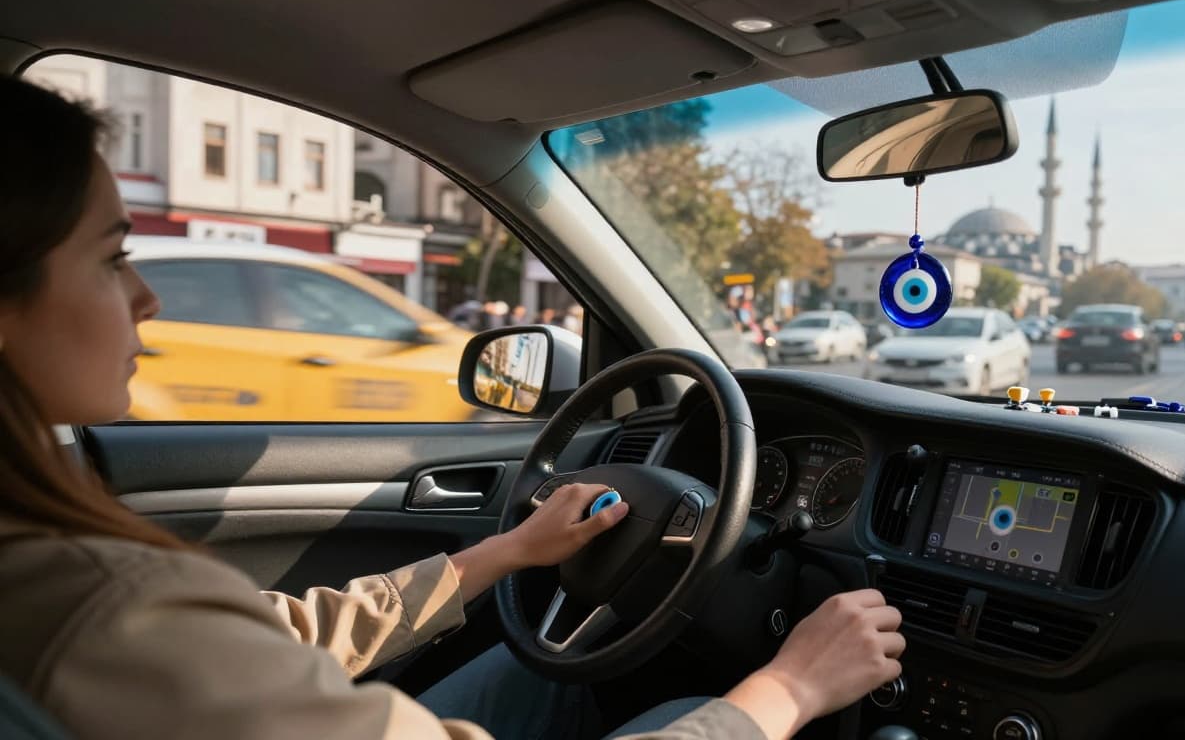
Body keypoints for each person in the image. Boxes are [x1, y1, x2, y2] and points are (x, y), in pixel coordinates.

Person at [0, 76, 906, 740]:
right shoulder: (106, 610)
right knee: (692, 714)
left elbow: (287, 636)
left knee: (540, 670)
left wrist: (506, 552)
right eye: (116, 258)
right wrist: (787, 690)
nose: (148, 301)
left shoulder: (72, 587)